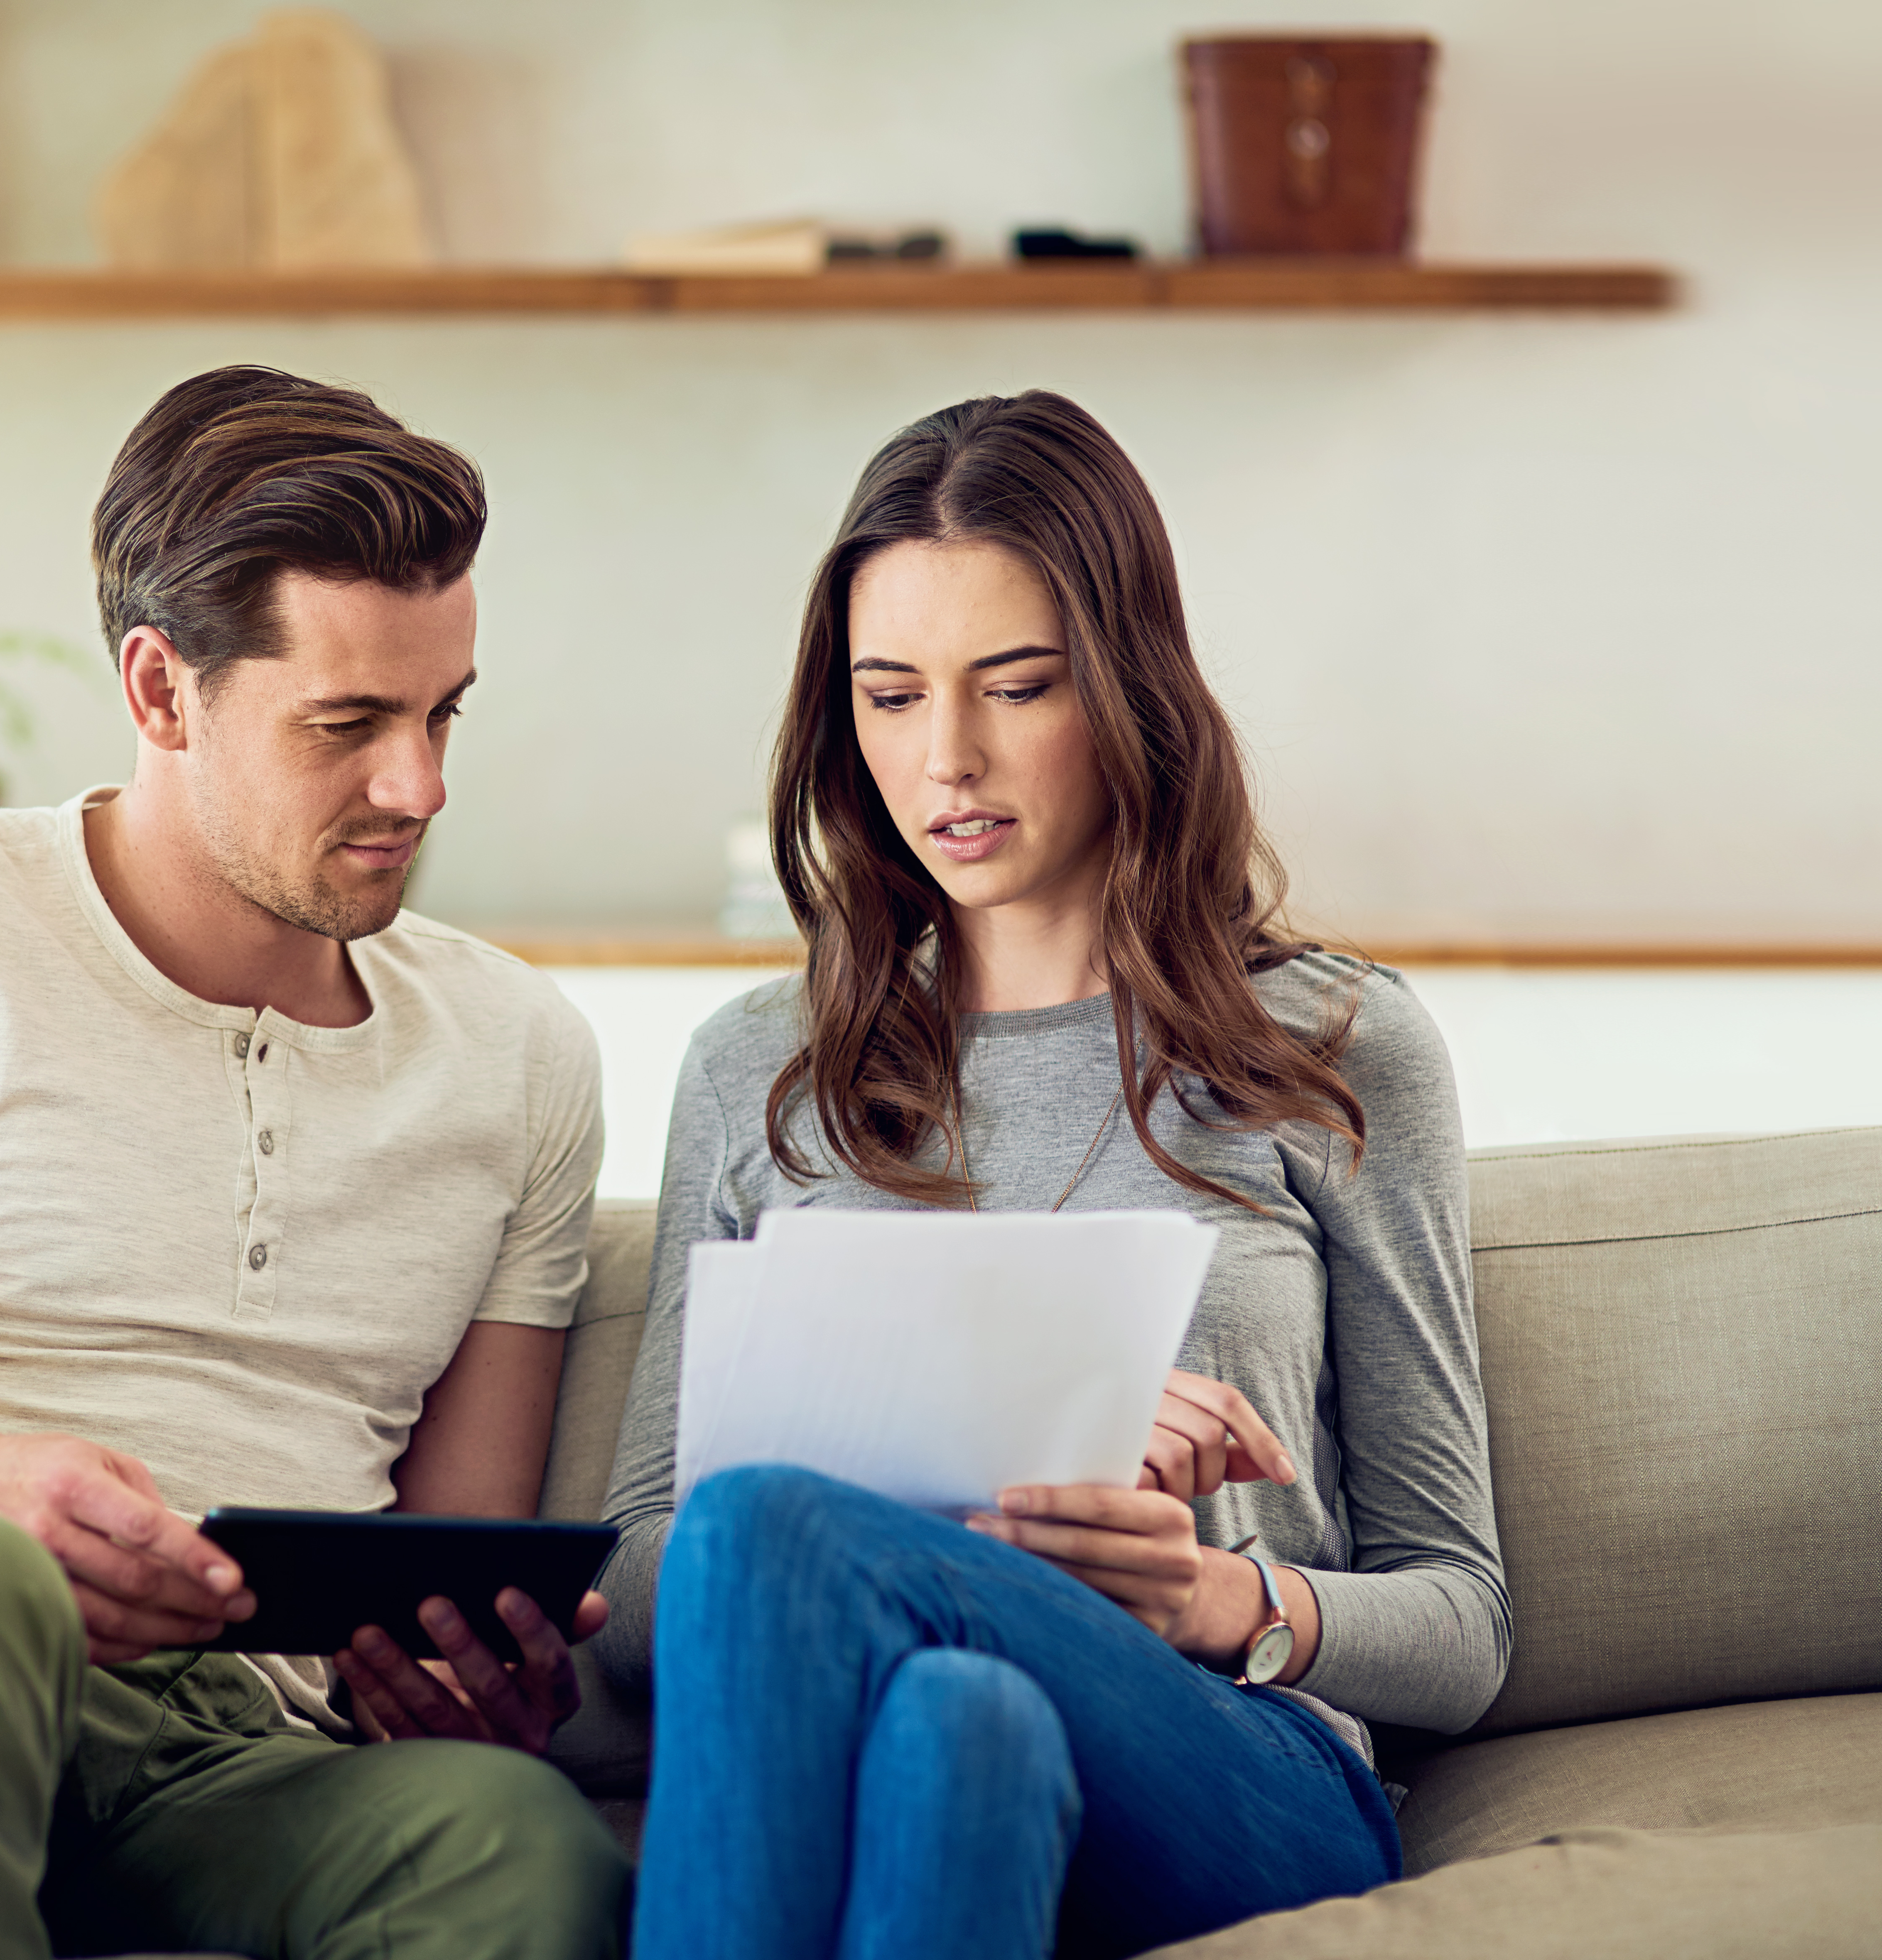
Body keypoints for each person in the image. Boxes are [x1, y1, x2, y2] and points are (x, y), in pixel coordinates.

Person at [0, 365, 629, 1960]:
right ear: (162, 691)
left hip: (241, 1762)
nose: (420, 788)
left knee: (514, 1842)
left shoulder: (519, 1054)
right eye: (348, 725)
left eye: (443, 714)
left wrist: (457, 1680)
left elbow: (451, 1555)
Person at [591, 390, 1508, 1960]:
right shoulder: (760, 1068)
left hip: (1236, 1770)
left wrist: (1223, 1605)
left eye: (1017, 687)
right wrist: (996, 1456)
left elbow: (1463, 1619)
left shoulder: (1337, 1046)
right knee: (959, 1727)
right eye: (889, 698)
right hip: (901, 1728)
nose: (946, 758)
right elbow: (635, 1591)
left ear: (1128, 686)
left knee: (772, 1535)